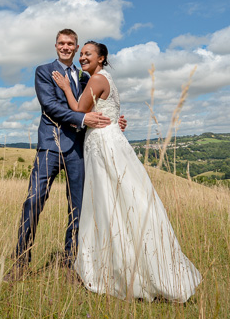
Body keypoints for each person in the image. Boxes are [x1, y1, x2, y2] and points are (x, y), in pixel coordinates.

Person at [51, 41, 202, 302]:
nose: (83, 57)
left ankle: (122, 269)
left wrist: (66, 87)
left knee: (108, 201)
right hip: (109, 139)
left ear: (101, 58)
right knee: (116, 201)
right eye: (82, 53)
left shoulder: (97, 79)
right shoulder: (106, 77)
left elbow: (78, 109)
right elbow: (108, 111)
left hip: (102, 142)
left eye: (88, 53)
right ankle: (121, 262)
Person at [5, 29, 125, 282]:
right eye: (62, 43)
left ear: (76, 46)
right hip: (50, 145)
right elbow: (50, 106)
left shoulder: (85, 76)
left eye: (71, 44)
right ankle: (20, 263)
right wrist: (82, 118)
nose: (66, 47)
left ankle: (71, 263)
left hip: (78, 150)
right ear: (56, 45)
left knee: (78, 207)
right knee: (33, 201)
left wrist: (112, 121)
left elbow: (94, 104)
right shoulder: (44, 71)